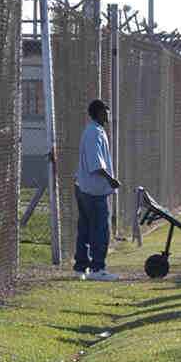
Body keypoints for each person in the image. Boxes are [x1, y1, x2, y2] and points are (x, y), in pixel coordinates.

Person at [73, 99, 120, 281]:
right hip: (93, 191)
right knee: (100, 229)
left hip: (84, 187)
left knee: (84, 229)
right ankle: (97, 268)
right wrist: (111, 180)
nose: (108, 116)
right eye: (106, 112)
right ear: (100, 113)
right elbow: (96, 164)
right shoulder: (94, 133)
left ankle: (81, 267)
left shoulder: (93, 131)